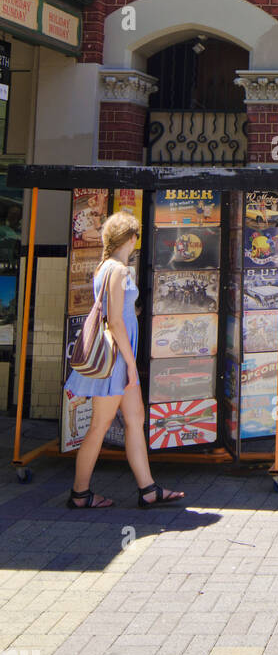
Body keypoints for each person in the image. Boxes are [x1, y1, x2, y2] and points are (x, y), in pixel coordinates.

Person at [65, 212, 184, 509]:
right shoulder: (118, 270)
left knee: (135, 419)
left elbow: (116, 313)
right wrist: (131, 365)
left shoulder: (105, 268)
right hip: (118, 359)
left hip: (119, 358)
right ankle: (80, 493)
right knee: (100, 425)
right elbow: (116, 321)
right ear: (132, 238)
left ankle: (148, 488)